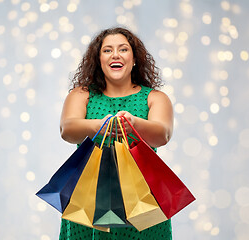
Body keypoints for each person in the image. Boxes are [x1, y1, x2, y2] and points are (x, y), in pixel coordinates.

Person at [59, 27, 174, 240]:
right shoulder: (82, 95)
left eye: (123, 49)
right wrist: (96, 126)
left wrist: (134, 123)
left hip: (143, 199)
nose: (115, 55)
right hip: (88, 199)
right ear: (98, 60)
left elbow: (163, 134)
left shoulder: (155, 98)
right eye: (107, 50)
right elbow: (68, 130)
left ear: (135, 59)